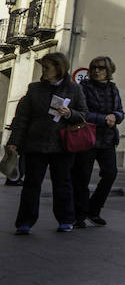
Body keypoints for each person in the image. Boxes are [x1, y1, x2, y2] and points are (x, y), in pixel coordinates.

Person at [5, 52, 87, 234]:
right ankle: (25, 223)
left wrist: (70, 114)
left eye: (47, 67)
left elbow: (84, 114)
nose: (43, 70)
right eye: (43, 67)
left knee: (63, 184)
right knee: (31, 185)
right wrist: (14, 142)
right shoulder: (34, 89)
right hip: (35, 144)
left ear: (59, 68)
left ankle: (66, 219)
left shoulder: (74, 89)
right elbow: (22, 118)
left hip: (62, 145)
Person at [71, 56, 125, 228]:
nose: (96, 71)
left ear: (109, 71)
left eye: (101, 68)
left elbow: (120, 111)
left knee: (110, 173)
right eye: (93, 67)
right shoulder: (83, 88)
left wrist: (115, 117)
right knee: (82, 177)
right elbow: (81, 112)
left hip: (107, 138)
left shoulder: (112, 89)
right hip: (87, 136)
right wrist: (103, 118)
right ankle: (79, 214)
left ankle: (93, 210)